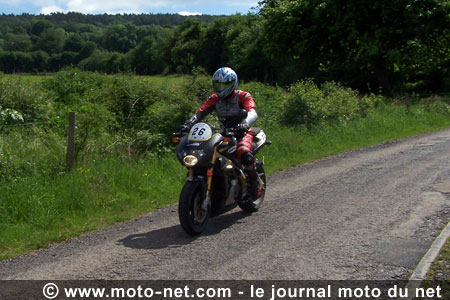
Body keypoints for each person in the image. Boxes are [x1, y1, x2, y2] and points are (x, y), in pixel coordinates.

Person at [181, 67, 261, 199]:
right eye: (218, 84)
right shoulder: (214, 98)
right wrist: (188, 124)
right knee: (205, 153)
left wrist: (245, 124)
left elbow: (253, 112)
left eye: (225, 84)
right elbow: (200, 113)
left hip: (242, 132)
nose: (222, 88)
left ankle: (254, 184)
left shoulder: (242, 96)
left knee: (244, 153)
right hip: (224, 133)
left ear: (233, 83)